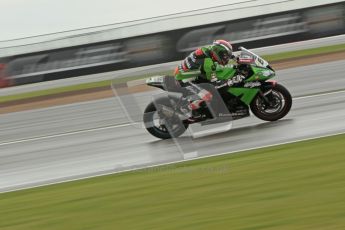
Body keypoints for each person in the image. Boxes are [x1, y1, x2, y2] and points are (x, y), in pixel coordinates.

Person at [173, 39, 245, 120]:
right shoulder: (208, 63)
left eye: (226, 56)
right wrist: (232, 81)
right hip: (184, 79)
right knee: (209, 95)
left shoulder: (209, 50)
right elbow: (216, 85)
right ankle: (186, 109)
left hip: (192, 74)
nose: (226, 58)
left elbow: (222, 54)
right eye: (224, 56)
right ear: (218, 53)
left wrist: (235, 57)